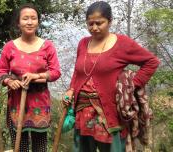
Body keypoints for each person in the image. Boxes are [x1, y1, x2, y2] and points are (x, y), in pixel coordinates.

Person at [63, 1, 160, 152]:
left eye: (99, 23)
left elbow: (151, 62)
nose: (94, 28)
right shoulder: (83, 43)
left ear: (110, 21)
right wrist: (71, 89)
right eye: (90, 23)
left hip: (109, 114)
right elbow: (78, 71)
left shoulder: (122, 43)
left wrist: (131, 85)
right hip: (83, 113)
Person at [0, 3, 61, 152]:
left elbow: (55, 72)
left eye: (34, 18)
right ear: (18, 23)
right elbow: (1, 72)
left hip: (40, 106)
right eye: (25, 18)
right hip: (17, 105)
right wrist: (9, 81)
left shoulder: (47, 46)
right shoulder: (9, 47)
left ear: (38, 21)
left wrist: (37, 76)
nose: (30, 22)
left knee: (40, 147)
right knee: (20, 147)